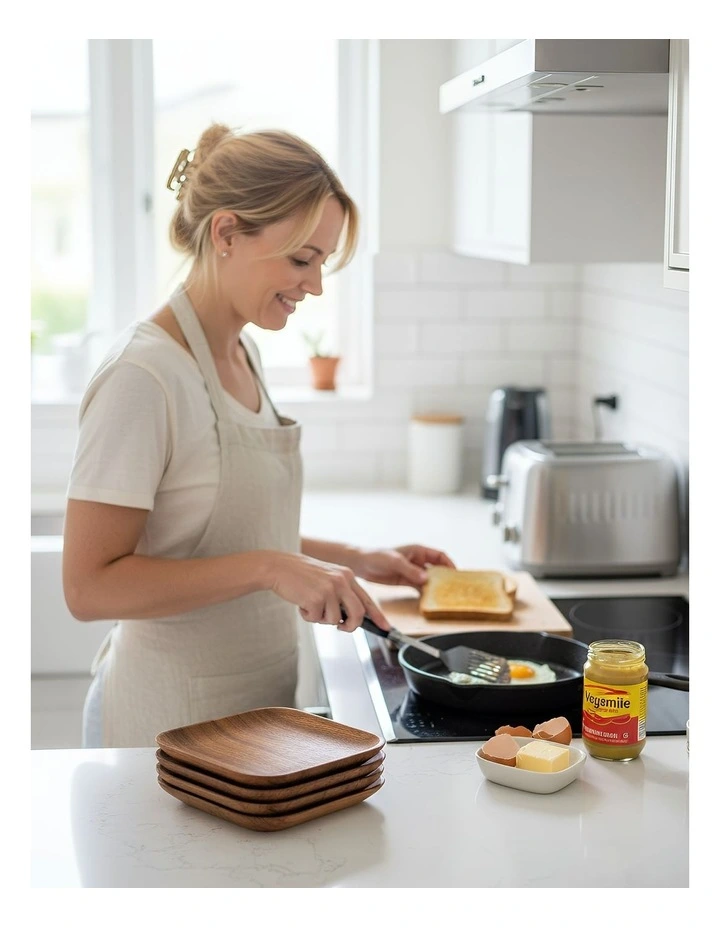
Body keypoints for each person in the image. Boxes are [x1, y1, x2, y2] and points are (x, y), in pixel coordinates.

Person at [62, 123, 456, 748]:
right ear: (226, 233)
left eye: (321, 262)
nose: (316, 285)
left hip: (250, 712)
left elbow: (220, 533)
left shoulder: (242, 353)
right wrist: (272, 568)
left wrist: (353, 560)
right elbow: (88, 587)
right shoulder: (143, 376)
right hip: (163, 728)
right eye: (302, 259)